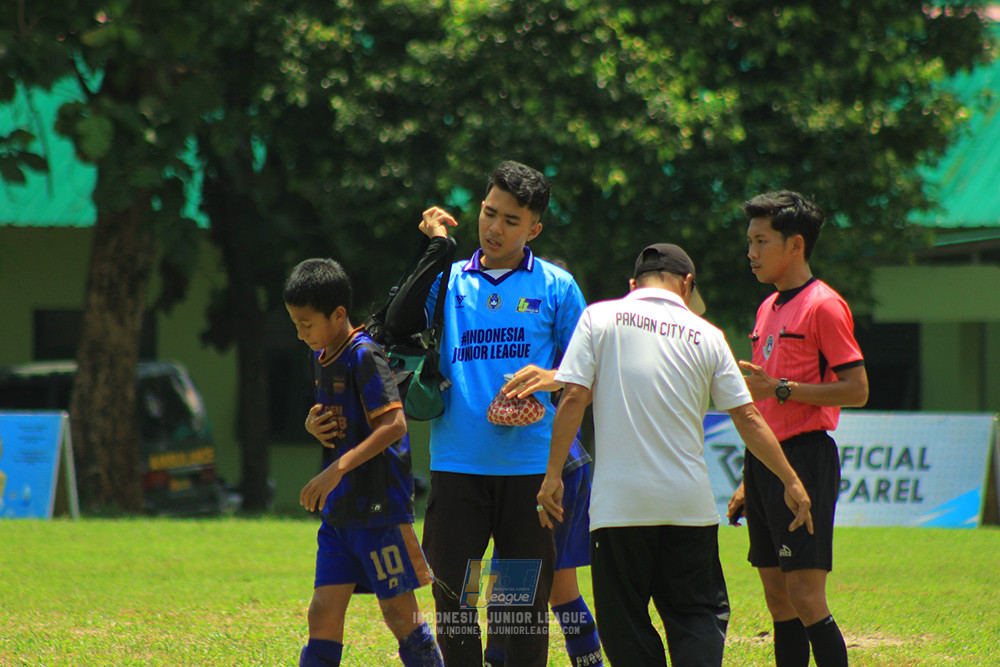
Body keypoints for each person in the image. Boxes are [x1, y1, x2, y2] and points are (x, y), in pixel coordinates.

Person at [536, 243, 814, 667]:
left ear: (633, 284)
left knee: (624, 624)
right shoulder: (707, 334)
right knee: (697, 615)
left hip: (619, 510)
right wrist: (790, 480)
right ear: (687, 284)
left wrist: (553, 474)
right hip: (688, 508)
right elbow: (749, 418)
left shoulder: (600, 317)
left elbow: (573, 397)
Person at [393, 160, 588, 666]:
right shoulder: (450, 280)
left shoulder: (558, 287)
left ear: (534, 229)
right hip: (457, 468)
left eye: (510, 220)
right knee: (455, 605)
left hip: (530, 477)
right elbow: (397, 320)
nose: (494, 227)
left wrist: (554, 378)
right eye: (488, 212)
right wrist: (435, 247)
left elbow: (592, 374)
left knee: (518, 612)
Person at [727, 191, 868, 667]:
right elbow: (761, 401)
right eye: (749, 240)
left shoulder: (824, 306)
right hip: (765, 461)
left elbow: (857, 389)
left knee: (806, 596)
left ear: (795, 245)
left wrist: (783, 388)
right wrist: (751, 478)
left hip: (806, 458)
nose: (751, 251)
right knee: (778, 599)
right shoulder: (767, 307)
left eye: (761, 240)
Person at [283, 258, 443, 667]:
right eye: (296, 324)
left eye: (306, 324)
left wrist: (335, 470)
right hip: (340, 514)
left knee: (399, 615)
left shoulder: (364, 355)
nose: (301, 334)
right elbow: (339, 417)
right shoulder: (321, 356)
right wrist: (313, 425)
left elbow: (393, 425)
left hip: (377, 509)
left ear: (338, 315)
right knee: (322, 611)